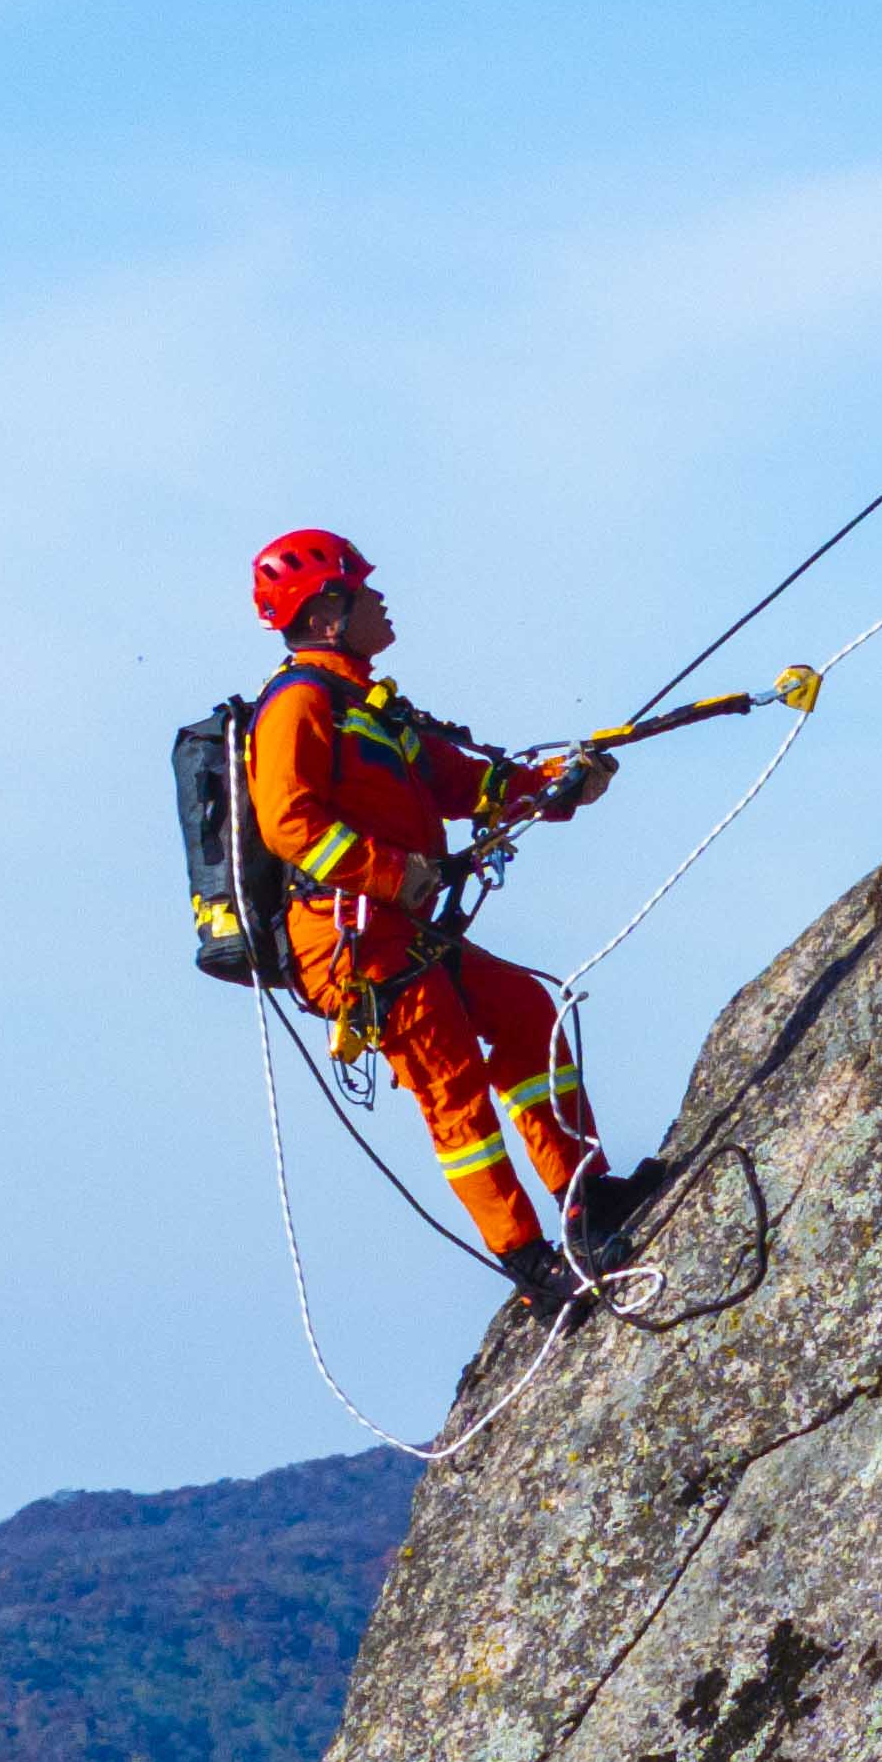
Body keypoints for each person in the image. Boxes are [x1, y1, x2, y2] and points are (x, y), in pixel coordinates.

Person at [242, 529, 640, 1312]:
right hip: (351, 941)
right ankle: (529, 1261)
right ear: (328, 613)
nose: (382, 601)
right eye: (364, 591)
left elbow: (464, 782)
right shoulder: (297, 706)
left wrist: (554, 787)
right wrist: (399, 874)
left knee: (528, 1012)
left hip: (401, 926)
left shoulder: (368, 707)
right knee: (452, 1084)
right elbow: (288, 825)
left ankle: (583, 1201)